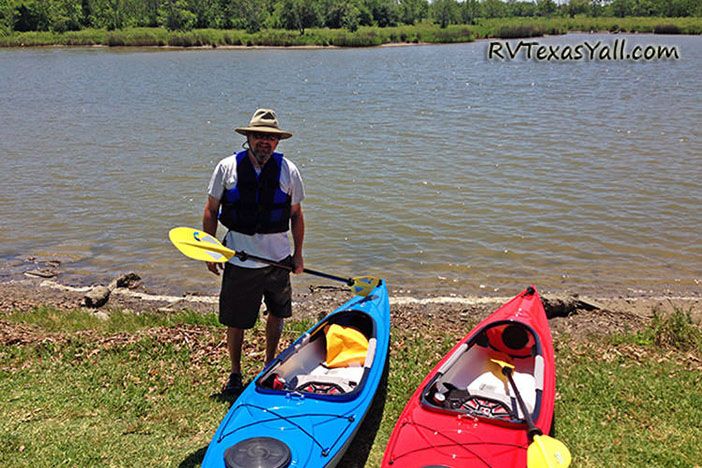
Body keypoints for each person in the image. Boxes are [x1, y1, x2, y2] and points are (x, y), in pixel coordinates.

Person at [202, 108, 305, 395]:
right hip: (239, 260)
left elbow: (296, 215)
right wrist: (210, 250)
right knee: (237, 321)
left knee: (277, 313)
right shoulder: (227, 168)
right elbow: (211, 210)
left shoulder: (289, 170)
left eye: (270, 138)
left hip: (278, 262)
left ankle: (269, 363)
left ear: (277, 142)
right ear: (248, 137)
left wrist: (298, 255)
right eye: (258, 135)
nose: (264, 142)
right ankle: (235, 373)